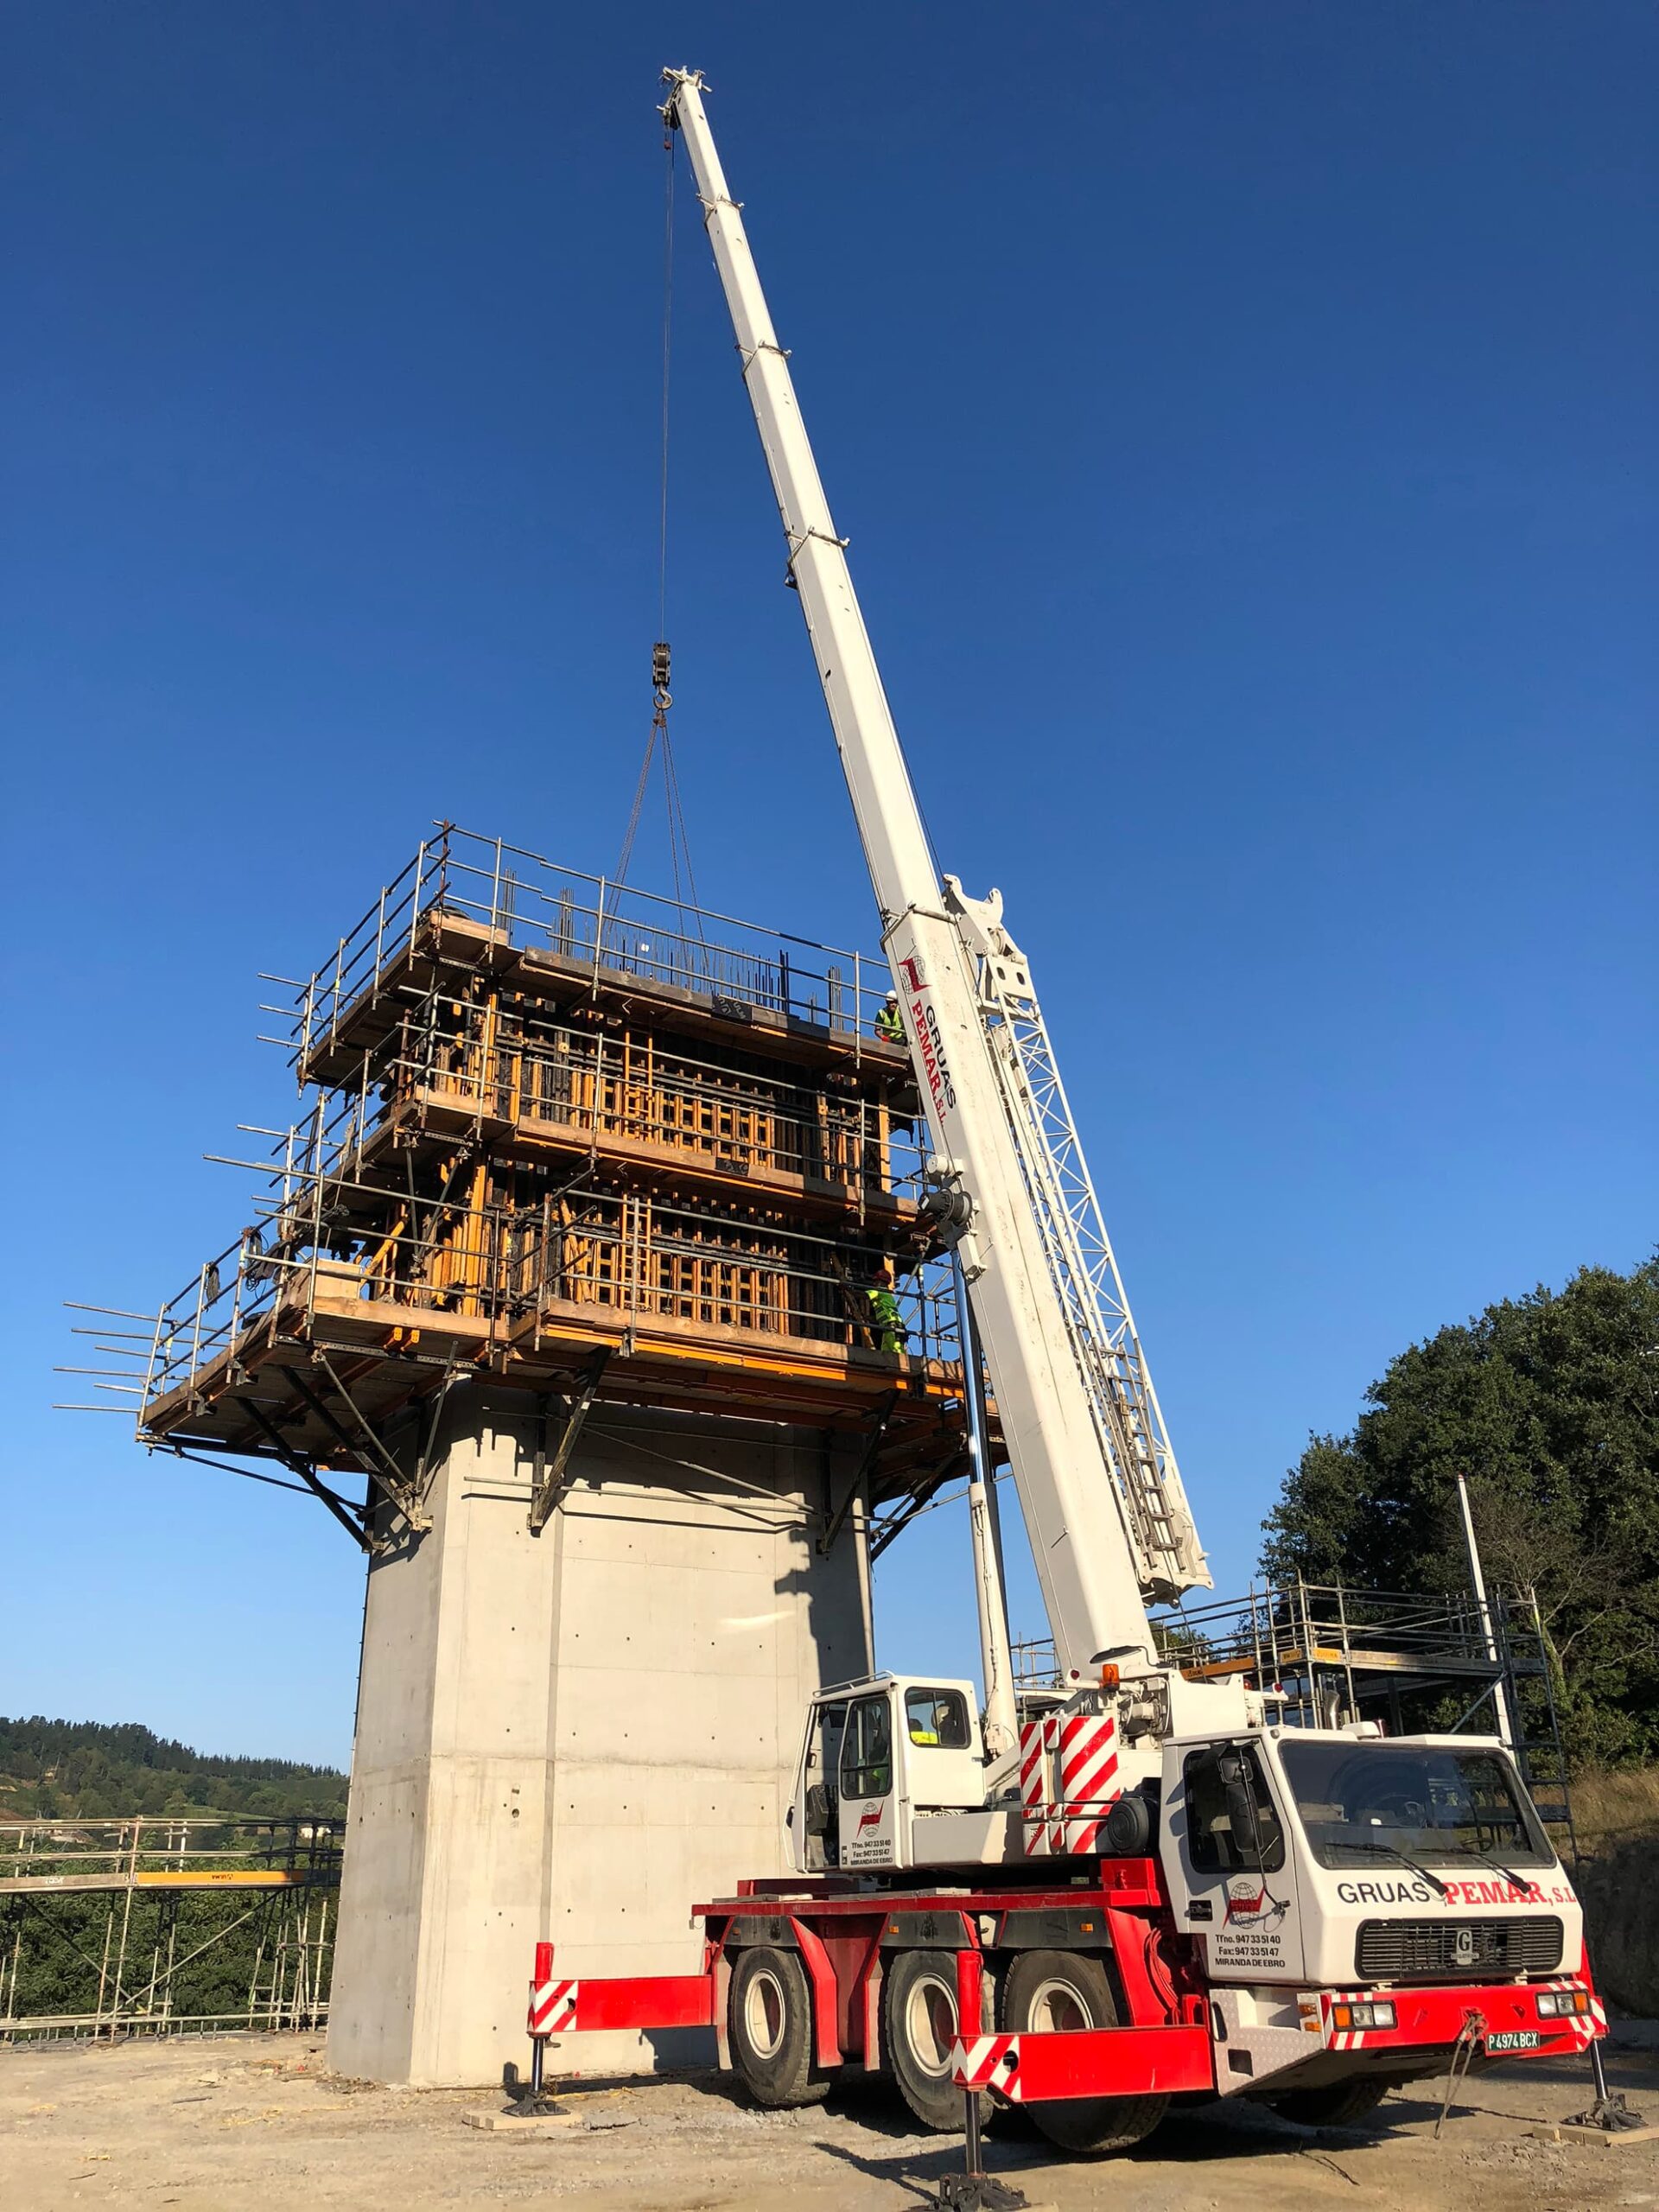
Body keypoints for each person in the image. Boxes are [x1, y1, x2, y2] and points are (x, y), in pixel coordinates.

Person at [865, 1263, 906, 1355]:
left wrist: (848, 1288)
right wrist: (867, 1318)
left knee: (898, 1355)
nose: (874, 1284)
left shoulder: (880, 1291)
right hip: (888, 1328)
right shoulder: (886, 1296)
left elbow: (863, 1295)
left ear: (882, 1282)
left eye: (876, 1281)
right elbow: (882, 1316)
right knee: (886, 1355)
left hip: (892, 1327)